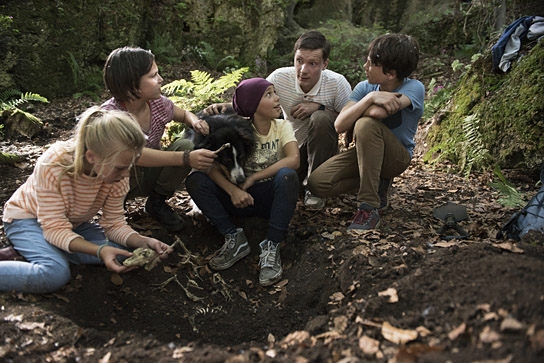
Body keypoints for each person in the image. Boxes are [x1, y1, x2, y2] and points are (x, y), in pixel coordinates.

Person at [0, 107, 173, 294]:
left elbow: (114, 224)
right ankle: (38, 250)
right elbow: (54, 227)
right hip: (26, 219)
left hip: (70, 225)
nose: (125, 174)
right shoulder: (54, 164)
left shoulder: (117, 173)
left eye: (129, 167)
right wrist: (98, 251)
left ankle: (35, 250)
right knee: (55, 273)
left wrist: (142, 241)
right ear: (91, 156)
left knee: (125, 252)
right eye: (120, 168)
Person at [203, 31, 351, 210]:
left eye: (312, 63)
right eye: (299, 61)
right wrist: (226, 107)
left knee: (320, 118)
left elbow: (348, 121)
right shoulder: (280, 77)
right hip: (288, 148)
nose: (303, 70)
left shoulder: (337, 84)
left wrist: (319, 108)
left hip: (322, 151)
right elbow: (256, 102)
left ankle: (314, 188)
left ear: (325, 64)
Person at [186, 78, 300, 287]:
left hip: (266, 196)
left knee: (287, 175)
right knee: (196, 179)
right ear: (252, 106)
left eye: (275, 92)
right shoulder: (235, 130)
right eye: (269, 95)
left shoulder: (282, 126)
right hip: (236, 198)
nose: (277, 99)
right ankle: (233, 238)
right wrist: (232, 191)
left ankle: (272, 246)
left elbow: (294, 160)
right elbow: (209, 165)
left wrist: (254, 177)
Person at [307, 33, 425, 230]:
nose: (365, 67)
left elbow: (377, 114)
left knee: (365, 124)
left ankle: (369, 207)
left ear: (391, 74)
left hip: (396, 158)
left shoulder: (414, 88)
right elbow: (340, 124)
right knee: (317, 184)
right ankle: (378, 182)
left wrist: (361, 110)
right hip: (366, 152)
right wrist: (370, 98)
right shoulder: (365, 88)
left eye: (371, 63)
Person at [102, 46, 216, 232]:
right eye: (153, 76)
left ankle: (156, 202)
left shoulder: (157, 104)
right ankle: (115, 209)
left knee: (185, 144)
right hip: (119, 180)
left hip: (148, 175)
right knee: (184, 152)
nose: (161, 79)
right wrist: (186, 158)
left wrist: (195, 121)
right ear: (131, 83)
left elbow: (184, 114)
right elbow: (133, 155)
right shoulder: (110, 116)